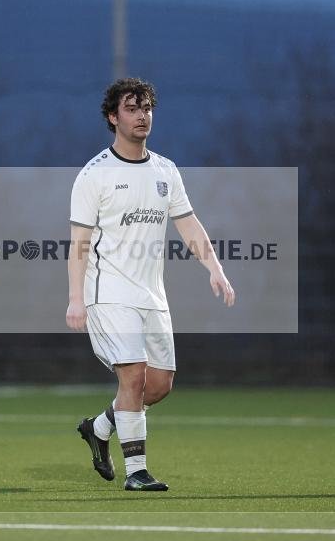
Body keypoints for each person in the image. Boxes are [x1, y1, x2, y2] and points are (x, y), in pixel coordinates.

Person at [66, 77, 235, 491]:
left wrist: (215, 267)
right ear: (113, 116)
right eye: (131, 108)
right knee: (134, 375)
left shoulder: (165, 170)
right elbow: (79, 244)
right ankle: (137, 472)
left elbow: (189, 224)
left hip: (151, 296)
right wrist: (75, 299)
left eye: (147, 108)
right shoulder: (94, 175)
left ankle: (100, 427)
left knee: (157, 386)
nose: (142, 115)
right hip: (107, 294)